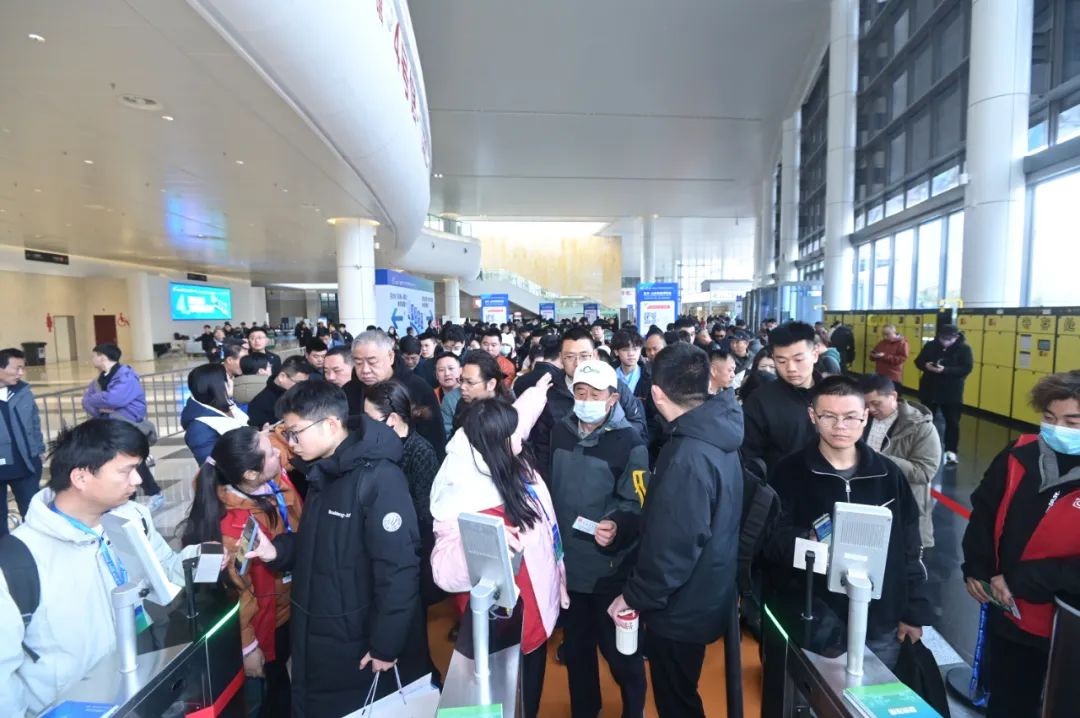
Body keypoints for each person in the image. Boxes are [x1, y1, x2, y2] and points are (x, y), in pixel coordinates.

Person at [0, 419, 212, 715]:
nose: (137, 480)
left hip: (144, 685)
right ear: (81, 477)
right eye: (126, 470)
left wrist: (202, 558)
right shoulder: (18, 562)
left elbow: (164, 571)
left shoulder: (134, 517)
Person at [244, 381, 429, 717]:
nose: (290, 443)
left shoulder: (379, 479)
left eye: (296, 433)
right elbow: (322, 542)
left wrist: (386, 645)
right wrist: (278, 552)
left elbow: (399, 569)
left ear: (330, 424)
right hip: (319, 631)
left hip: (355, 641)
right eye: (286, 433)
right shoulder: (325, 471)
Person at [607, 343, 743, 718]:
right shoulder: (716, 433)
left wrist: (634, 596)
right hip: (707, 588)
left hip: (680, 607)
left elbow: (674, 547)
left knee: (676, 700)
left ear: (656, 394)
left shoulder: (688, 455)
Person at [763, 376, 931, 670]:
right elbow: (770, 539)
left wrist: (912, 612)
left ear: (865, 416)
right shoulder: (788, 473)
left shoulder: (888, 475)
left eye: (851, 417)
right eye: (829, 416)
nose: (840, 426)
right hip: (813, 618)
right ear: (813, 416)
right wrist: (805, 542)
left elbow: (909, 548)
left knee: (874, 691)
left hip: (881, 619)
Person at [430, 380, 567, 718]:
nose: (519, 438)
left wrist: (538, 390)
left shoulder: (510, 460)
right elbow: (442, 570)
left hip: (538, 609)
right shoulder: (461, 490)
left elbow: (522, 416)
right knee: (499, 703)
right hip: (500, 628)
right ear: (490, 443)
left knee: (530, 696)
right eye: (510, 435)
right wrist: (481, 544)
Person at [961, 371, 1080, 718]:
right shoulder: (1019, 453)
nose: (1058, 428)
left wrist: (1021, 580)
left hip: (1067, 626)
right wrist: (977, 567)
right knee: (1008, 700)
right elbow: (985, 510)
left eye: (1072, 422)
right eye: (1049, 418)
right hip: (1009, 612)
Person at [550, 361, 649, 718]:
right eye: (581, 392)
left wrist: (617, 524)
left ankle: (633, 709)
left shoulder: (630, 443)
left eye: (596, 394)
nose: (587, 400)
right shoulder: (560, 432)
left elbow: (638, 503)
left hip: (609, 569)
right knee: (577, 650)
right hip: (567, 566)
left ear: (612, 399)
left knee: (620, 652)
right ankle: (585, 709)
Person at [180, 427, 301, 718]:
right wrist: (248, 647)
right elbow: (237, 593)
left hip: (285, 608)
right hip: (263, 624)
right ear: (249, 473)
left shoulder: (269, 480)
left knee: (281, 687)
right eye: (270, 453)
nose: (279, 453)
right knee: (264, 698)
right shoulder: (234, 529)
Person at [529, 327, 648, 479]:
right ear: (561, 358)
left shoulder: (613, 385)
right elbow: (541, 445)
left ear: (594, 355)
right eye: (570, 357)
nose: (578, 363)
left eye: (584, 356)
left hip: (607, 470)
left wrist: (611, 438)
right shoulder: (549, 391)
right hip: (565, 474)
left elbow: (638, 424)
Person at [363, 380, 442, 606]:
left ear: (392, 419)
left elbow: (426, 512)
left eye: (370, 419)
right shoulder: (373, 446)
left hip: (410, 546)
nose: (365, 426)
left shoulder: (420, 451)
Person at [860, 374, 941, 549]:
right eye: (866, 404)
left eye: (876, 403)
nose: (871, 409)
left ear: (893, 396)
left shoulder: (921, 427)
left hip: (902, 508)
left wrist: (881, 459)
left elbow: (924, 472)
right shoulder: (860, 419)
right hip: (866, 502)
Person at [80, 343, 163, 511]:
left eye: (94, 355)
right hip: (108, 424)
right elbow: (86, 402)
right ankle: (130, 498)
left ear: (102, 357)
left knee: (129, 459)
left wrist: (101, 402)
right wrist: (103, 404)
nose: (92, 359)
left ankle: (153, 493)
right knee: (120, 461)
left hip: (127, 425)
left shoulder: (126, 376)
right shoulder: (99, 380)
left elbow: (115, 399)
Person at [351, 330, 447, 459]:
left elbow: (436, 440)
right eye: (358, 363)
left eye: (372, 362)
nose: (365, 370)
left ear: (390, 357)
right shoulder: (349, 391)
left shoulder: (418, 389)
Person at [742, 321, 821, 470]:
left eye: (798, 360)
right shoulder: (760, 401)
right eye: (781, 361)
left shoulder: (836, 395)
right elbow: (749, 458)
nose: (791, 368)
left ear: (815, 354)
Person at [0, 349, 44, 536]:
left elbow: (34, 423)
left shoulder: (23, 392)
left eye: (23, 368)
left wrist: (38, 451)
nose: (21, 373)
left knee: (34, 516)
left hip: (25, 465)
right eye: (16, 368)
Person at [914, 324, 973, 465]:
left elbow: (966, 368)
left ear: (956, 337)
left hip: (951, 391)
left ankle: (951, 451)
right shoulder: (931, 345)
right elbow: (918, 361)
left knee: (952, 422)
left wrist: (945, 370)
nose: (945, 342)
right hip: (930, 389)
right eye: (942, 338)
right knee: (926, 420)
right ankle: (924, 448)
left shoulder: (964, 349)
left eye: (949, 339)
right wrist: (926, 365)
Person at [180, 363, 250, 464]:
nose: (232, 381)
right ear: (218, 386)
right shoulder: (199, 428)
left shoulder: (230, 405)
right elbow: (213, 466)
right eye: (228, 378)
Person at [246, 356, 314, 430]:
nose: (303, 387)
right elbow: (255, 432)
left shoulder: (302, 393)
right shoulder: (259, 404)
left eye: (306, 383)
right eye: (299, 383)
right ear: (282, 377)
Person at [434, 352, 463, 439]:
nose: (447, 373)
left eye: (451, 368)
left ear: (461, 370)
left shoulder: (468, 394)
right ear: (436, 375)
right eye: (441, 370)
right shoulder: (430, 396)